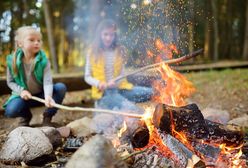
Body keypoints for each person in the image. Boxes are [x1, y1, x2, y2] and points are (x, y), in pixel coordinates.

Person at [84, 19, 153, 113]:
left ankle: (121, 100)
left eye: (111, 35)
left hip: (121, 88)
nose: (108, 38)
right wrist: (99, 83)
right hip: (104, 94)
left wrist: (116, 81)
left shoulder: (119, 50)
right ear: (100, 35)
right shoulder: (92, 52)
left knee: (151, 92)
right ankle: (112, 103)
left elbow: (122, 74)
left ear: (115, 35)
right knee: (130, 108)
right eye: (105, 34)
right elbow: (87, 76)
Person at [3, 26, 67, 126]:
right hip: (24, 97)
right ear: (20, 43)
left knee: (60, 88)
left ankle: (47, 116)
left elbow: (47, 81)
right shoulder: (12, 61)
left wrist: (48, 96)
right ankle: (26, 116)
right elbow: (10, 81)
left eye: (39, 40)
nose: (36, 42)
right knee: (11, 110)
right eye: (31, 40)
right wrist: (21, 91)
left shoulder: (43, 61)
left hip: (41, 95)